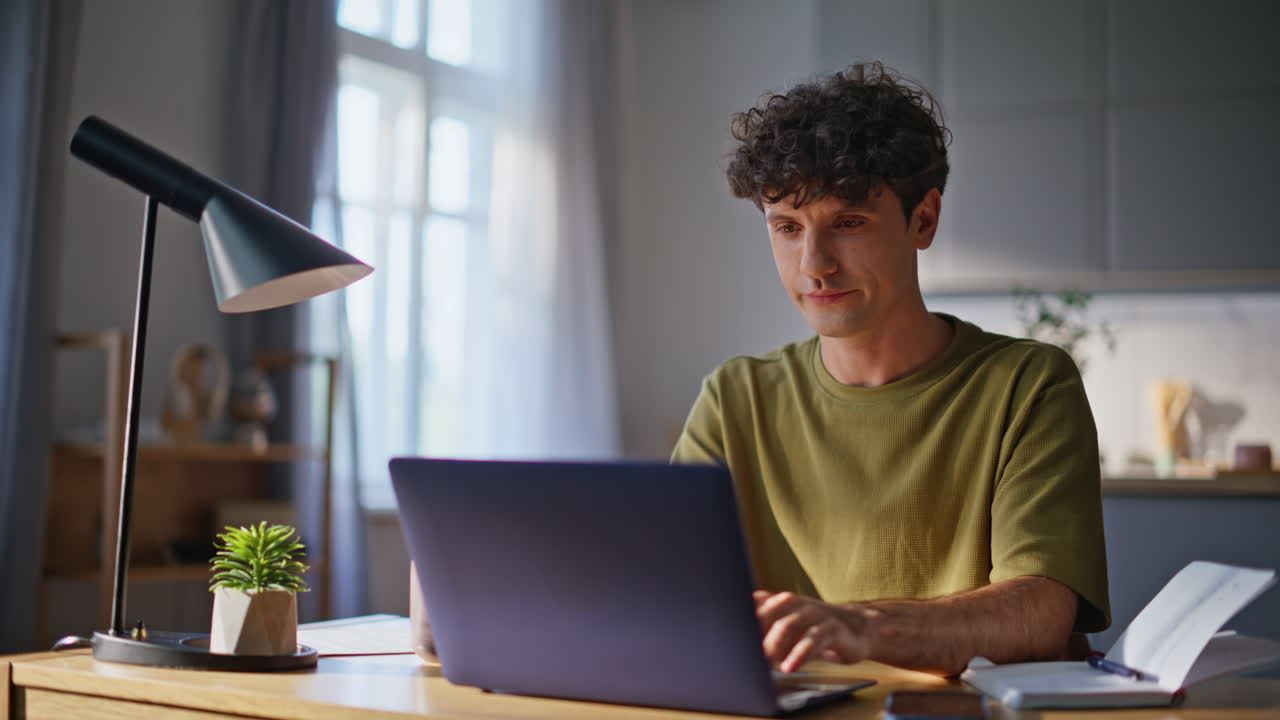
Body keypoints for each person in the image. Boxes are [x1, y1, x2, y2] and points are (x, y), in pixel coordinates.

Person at [671, 62, 1109, 677]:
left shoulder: (1027, 384)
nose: (814, 265)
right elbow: (673, 598)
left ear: (922, 220)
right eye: (788, 228)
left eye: (848, 223)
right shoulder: (734, 397)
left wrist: (860, 626)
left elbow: (1040, 612)